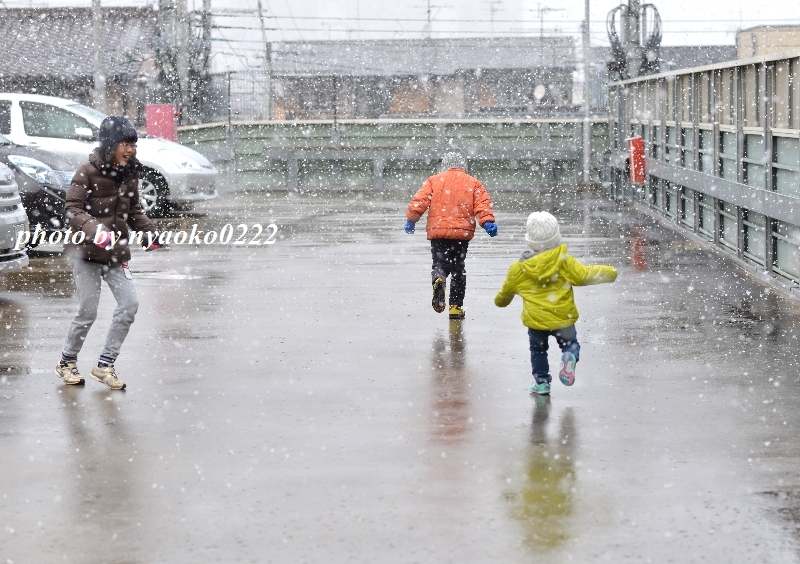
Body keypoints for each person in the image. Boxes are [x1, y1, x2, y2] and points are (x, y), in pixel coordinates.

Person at [54, 116, 161, 390]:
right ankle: (66, 362)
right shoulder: (87, 171)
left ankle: (105, 366)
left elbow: (133, 209)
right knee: (87, 312)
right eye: (125, 144)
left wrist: (148, 230)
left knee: (129, 305)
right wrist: (94, 228)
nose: (131, 150)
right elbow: (73, 209)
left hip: (115, 253)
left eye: (133, 144)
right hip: (86, 252)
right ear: (111, 144)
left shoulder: (131, 173)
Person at [494, 211, 617, 395]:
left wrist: (500, 300)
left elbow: (503, 297)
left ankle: (542, 383)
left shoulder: (518, 269)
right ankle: (570, 356)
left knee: (538, 351)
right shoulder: (564, 261)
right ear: (556, 237)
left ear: (530, 241)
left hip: (536, 321)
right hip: (563, 319)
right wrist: (609, 272)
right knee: (571, 344)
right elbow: (584, 275)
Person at [404, 152, 497, 320]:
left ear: (444, 165)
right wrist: (487, 222)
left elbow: (420, 200)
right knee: (458, 269)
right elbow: (482, 205)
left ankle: (439, 278)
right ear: (463, 165)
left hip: (438, 232)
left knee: (440, 263)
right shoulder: (473, 183)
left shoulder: (434, 180)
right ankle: (456, 307)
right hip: (461, 234)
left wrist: (412, 219)